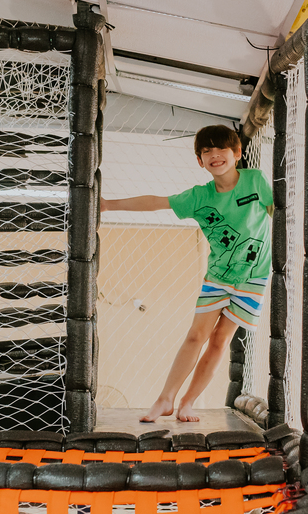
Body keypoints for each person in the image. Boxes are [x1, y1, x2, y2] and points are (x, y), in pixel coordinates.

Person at [100, 125, 272, 422]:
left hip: (253, 279)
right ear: (200, 161)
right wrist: (107, 205)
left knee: (220, 342)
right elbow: (156, 202)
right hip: (219, 277)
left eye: (221, 149)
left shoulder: (254, 180)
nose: (215, 155)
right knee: (196, 336)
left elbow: (277, 210)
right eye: (207, 151)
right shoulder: (199, 197)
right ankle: (165, 399)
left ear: (237, 153)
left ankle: (187, 403)